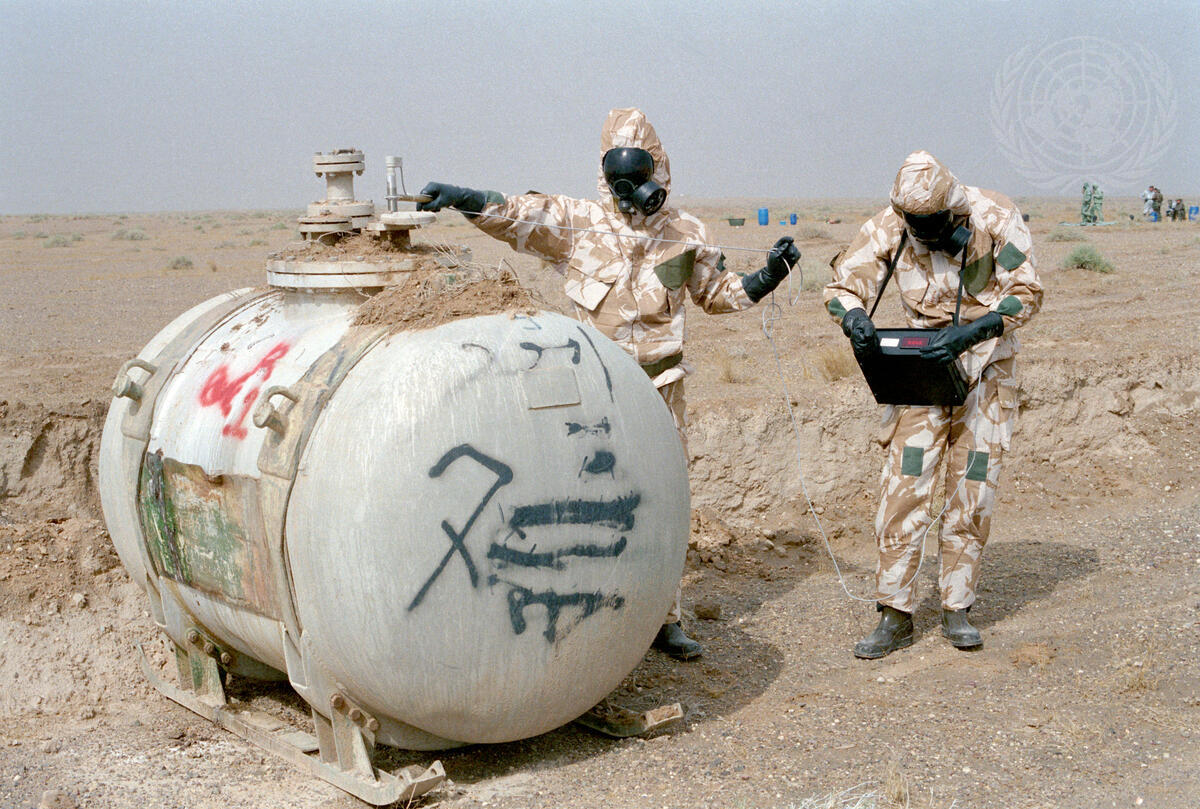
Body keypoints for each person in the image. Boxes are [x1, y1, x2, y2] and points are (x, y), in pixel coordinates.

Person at [418, 107, 799, 661]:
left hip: (660, 386)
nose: (628, 190)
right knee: (583, 501)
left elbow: (718, 296)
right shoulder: (577, 223)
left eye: (638, 175)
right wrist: (463, 197)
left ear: (657, 169)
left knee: (664, 500)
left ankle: (664, 618)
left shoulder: (687, 233)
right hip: (592, 395)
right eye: (618, 177)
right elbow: (514, 215)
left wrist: (766, 277)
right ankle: (590, 614)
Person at [823, 151, 1043, 658]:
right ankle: (894, 613)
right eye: (915, 226)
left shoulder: (994, 216)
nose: (925, 234)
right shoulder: (889, 225)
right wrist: (854, 319)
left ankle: (956, 607)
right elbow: (842, 287)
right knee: (904, 487)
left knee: (973, 487)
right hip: (921, 368)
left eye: (935, 225)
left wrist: (974, 331)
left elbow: (1027, 291)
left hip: (986, 368)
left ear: (952, 208)